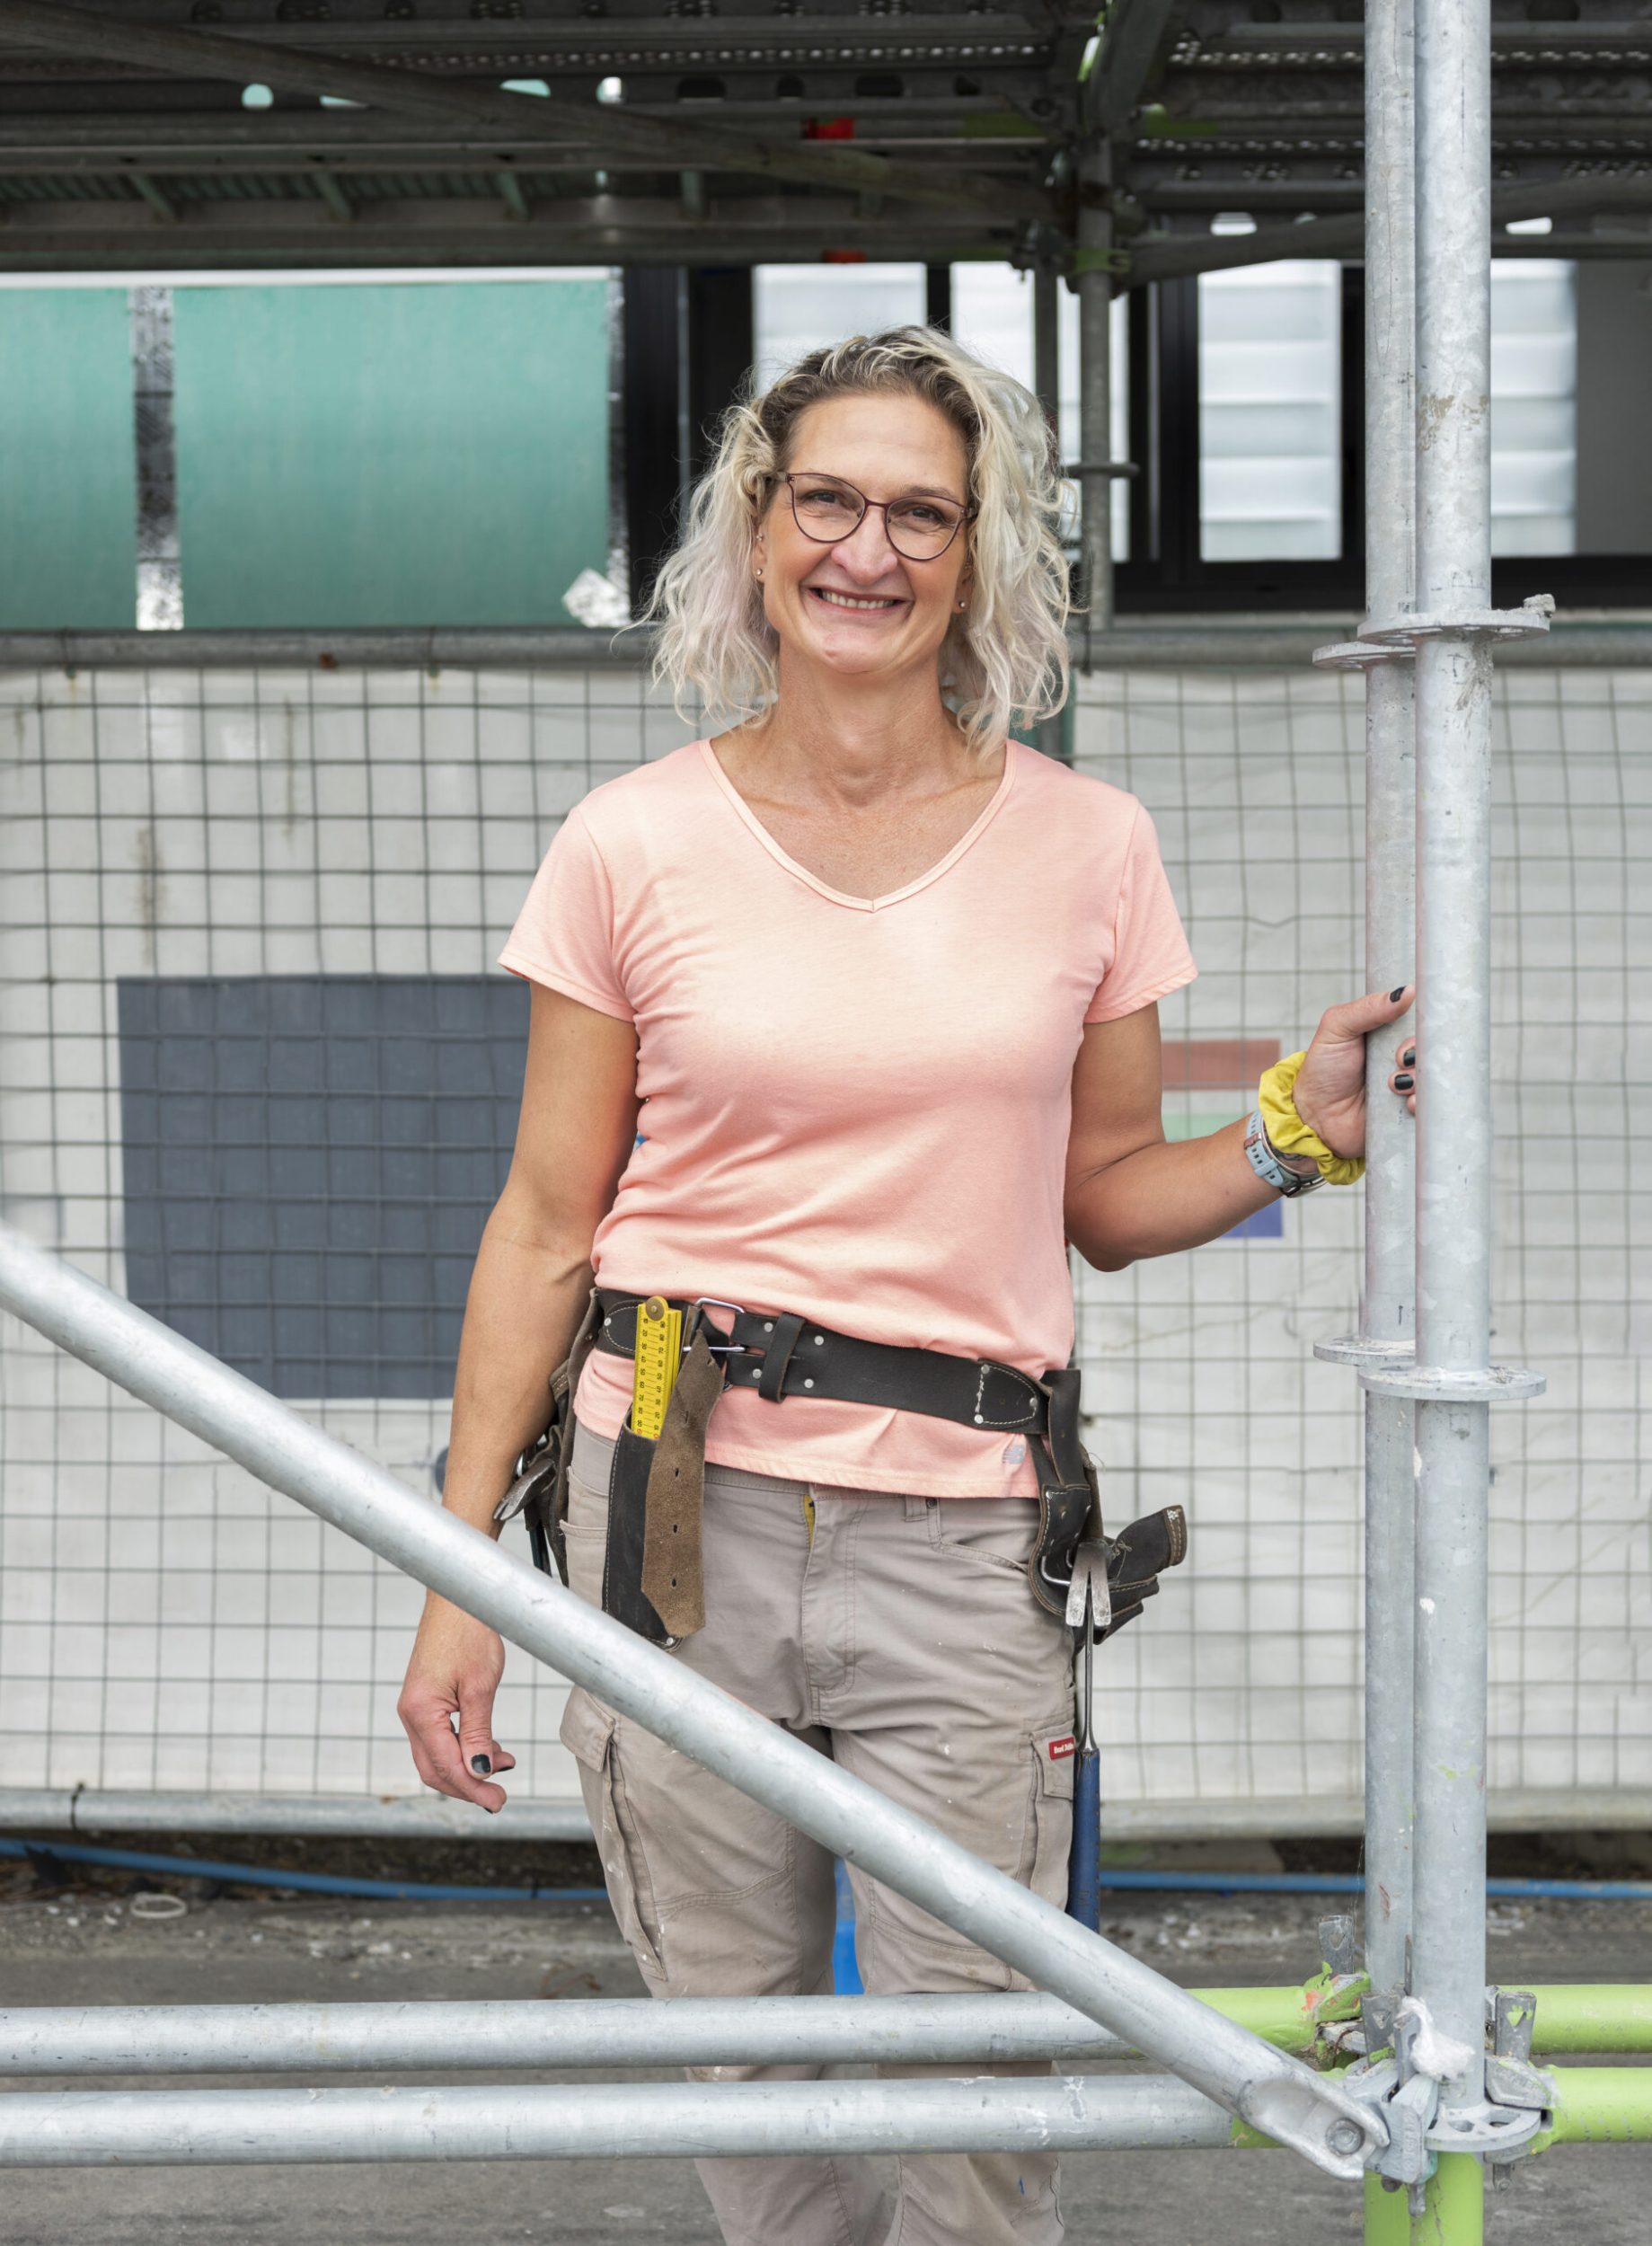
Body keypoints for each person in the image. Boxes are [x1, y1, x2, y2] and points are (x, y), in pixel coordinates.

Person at [399, 327, 1418, 2246]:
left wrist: (1298, 1128)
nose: (866, 548)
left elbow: (1104, 1195)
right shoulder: (631, 842)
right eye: (828, 500)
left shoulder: (1085, 844)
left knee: (972, 2074)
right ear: (756, 526)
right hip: (661, 1510)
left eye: (918, 513)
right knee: (739, 2069)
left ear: (980, 554)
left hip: (959, 1533)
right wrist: (458, 1586)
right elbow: (542, 1223)